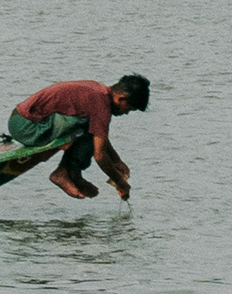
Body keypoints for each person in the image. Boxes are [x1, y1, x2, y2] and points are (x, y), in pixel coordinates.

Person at [9, 74, 148, 201]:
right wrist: (121, 183)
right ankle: (66, 173)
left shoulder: (100, 92)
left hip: (21, 121)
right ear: (121, 98)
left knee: (91, 128)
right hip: (26, 127)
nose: (126, 113)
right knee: (88, 127)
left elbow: (101, 137)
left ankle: (72, 173)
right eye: (129, 108)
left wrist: (117, 160)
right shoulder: (101, 106)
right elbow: (100, 156)